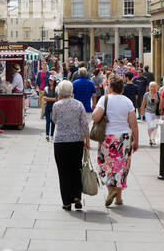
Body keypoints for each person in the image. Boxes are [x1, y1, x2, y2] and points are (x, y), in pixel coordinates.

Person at [92, 75, 138, 207]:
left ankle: (111, 191)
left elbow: (95, 117)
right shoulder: (128, 102)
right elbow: (133, 124)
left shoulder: (104, 99)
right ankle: (118, 197)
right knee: (122, 165)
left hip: (108, 138)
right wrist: (136, 141)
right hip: (124, 137)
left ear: (110, 87)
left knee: (106, 165)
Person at [51, 80, 90, 211]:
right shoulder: (79, 105)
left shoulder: (57, 105)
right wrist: (87, 140)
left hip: (60, 142)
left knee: (63, 172)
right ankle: (77, 197)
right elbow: (85, 123)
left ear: (60, 92)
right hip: (76, 141)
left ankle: (67, 202)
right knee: (76, 168)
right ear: (71, 91)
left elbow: (54, 120)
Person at [142, 77, 160, 146]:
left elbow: (161, 103)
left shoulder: (158, 94)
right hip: (148, 112)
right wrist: (142, 113)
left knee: (155, 126)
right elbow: (143, 103)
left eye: (154, 86)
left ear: (156, 87)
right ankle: (150, 138)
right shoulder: (146, 94)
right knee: (150, 125)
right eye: (151, 86)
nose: (153, 88)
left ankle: (154, 138)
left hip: (156, 112)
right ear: (149, 87)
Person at [43, 75, 60, 141]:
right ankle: (47, 134)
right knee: (47, 121)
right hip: (47, 106)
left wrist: (48, 98)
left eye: (52, 80)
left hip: (54, 107)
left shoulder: (56, 89)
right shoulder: (46, 88)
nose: (50, 81)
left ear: (54, 81)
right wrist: (52, 99)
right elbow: (44, 98)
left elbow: (57, 99)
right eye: (50, 80)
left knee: (53, 121)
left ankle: (52, 135)